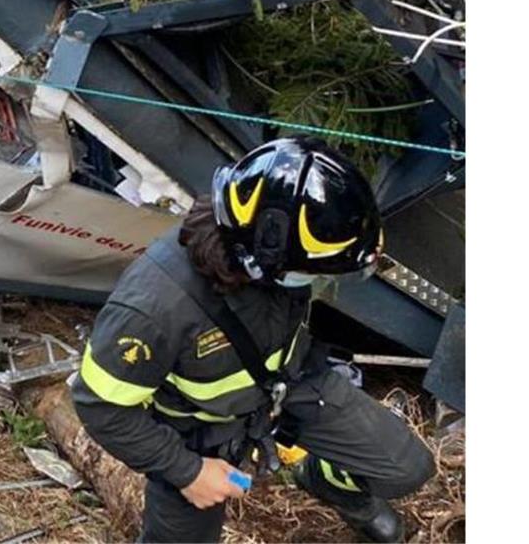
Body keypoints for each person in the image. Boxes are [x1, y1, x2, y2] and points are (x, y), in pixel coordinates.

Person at [71, 137, 434, 543]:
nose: (317, 282)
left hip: (288, 386)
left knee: (405, 467)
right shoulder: (153, 308)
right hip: (198, 430)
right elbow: (100, 405)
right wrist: (186, 471)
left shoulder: (272, 243)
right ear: (262, 260)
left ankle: (327, 481)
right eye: (313, 273)